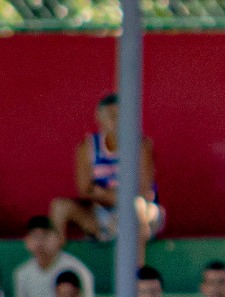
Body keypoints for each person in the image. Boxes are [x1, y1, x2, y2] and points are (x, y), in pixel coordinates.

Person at [50, 93, 166, 248]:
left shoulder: (141, 145)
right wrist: (110, 197)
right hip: (101, 211)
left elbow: (144, 189)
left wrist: (109, 195)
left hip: (136, 211)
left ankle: (136, 262)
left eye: (120, 115)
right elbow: (84, 190)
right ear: (99, 117)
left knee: (141, 209)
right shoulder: (88, 147)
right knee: (59, 207)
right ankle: (57, 258)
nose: (116, 121)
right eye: (111, 115)